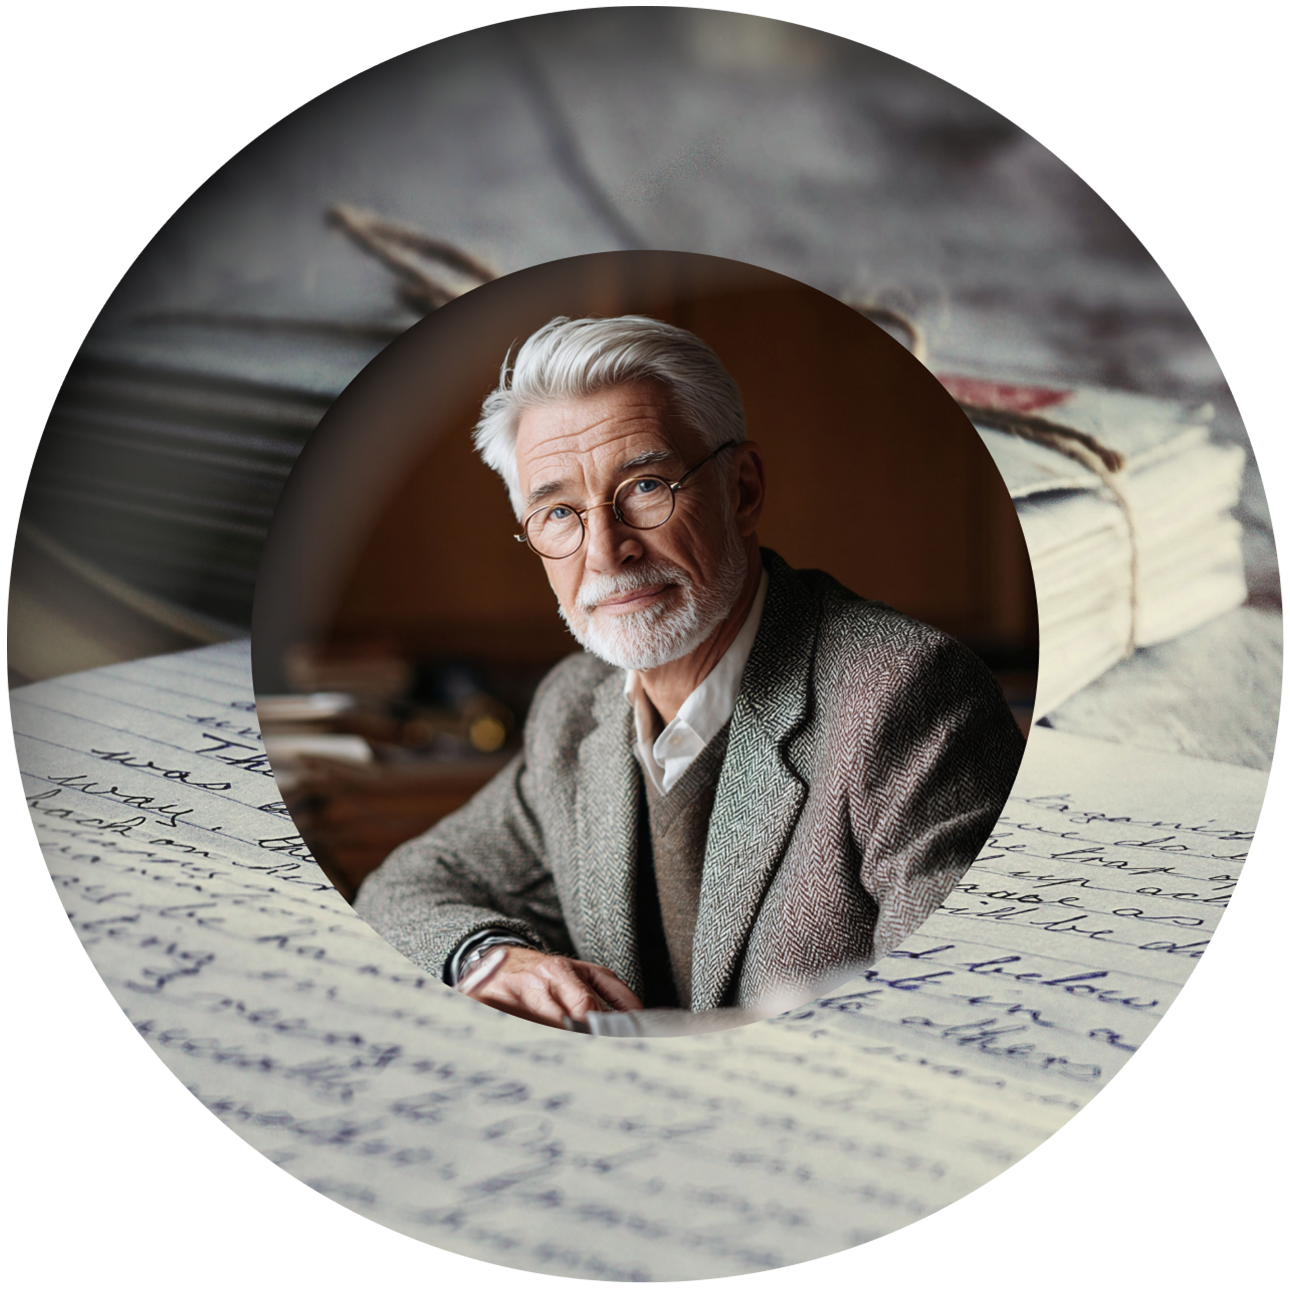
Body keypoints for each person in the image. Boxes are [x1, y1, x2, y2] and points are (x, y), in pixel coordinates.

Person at [354, 315, 1025, 1028]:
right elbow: (402, 888)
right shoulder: (575, 705)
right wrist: (490, 957)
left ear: (742, 490)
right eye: (558, 512)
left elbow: (957, 1015)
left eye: (645, 486)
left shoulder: (904, 693)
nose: (607, 552)